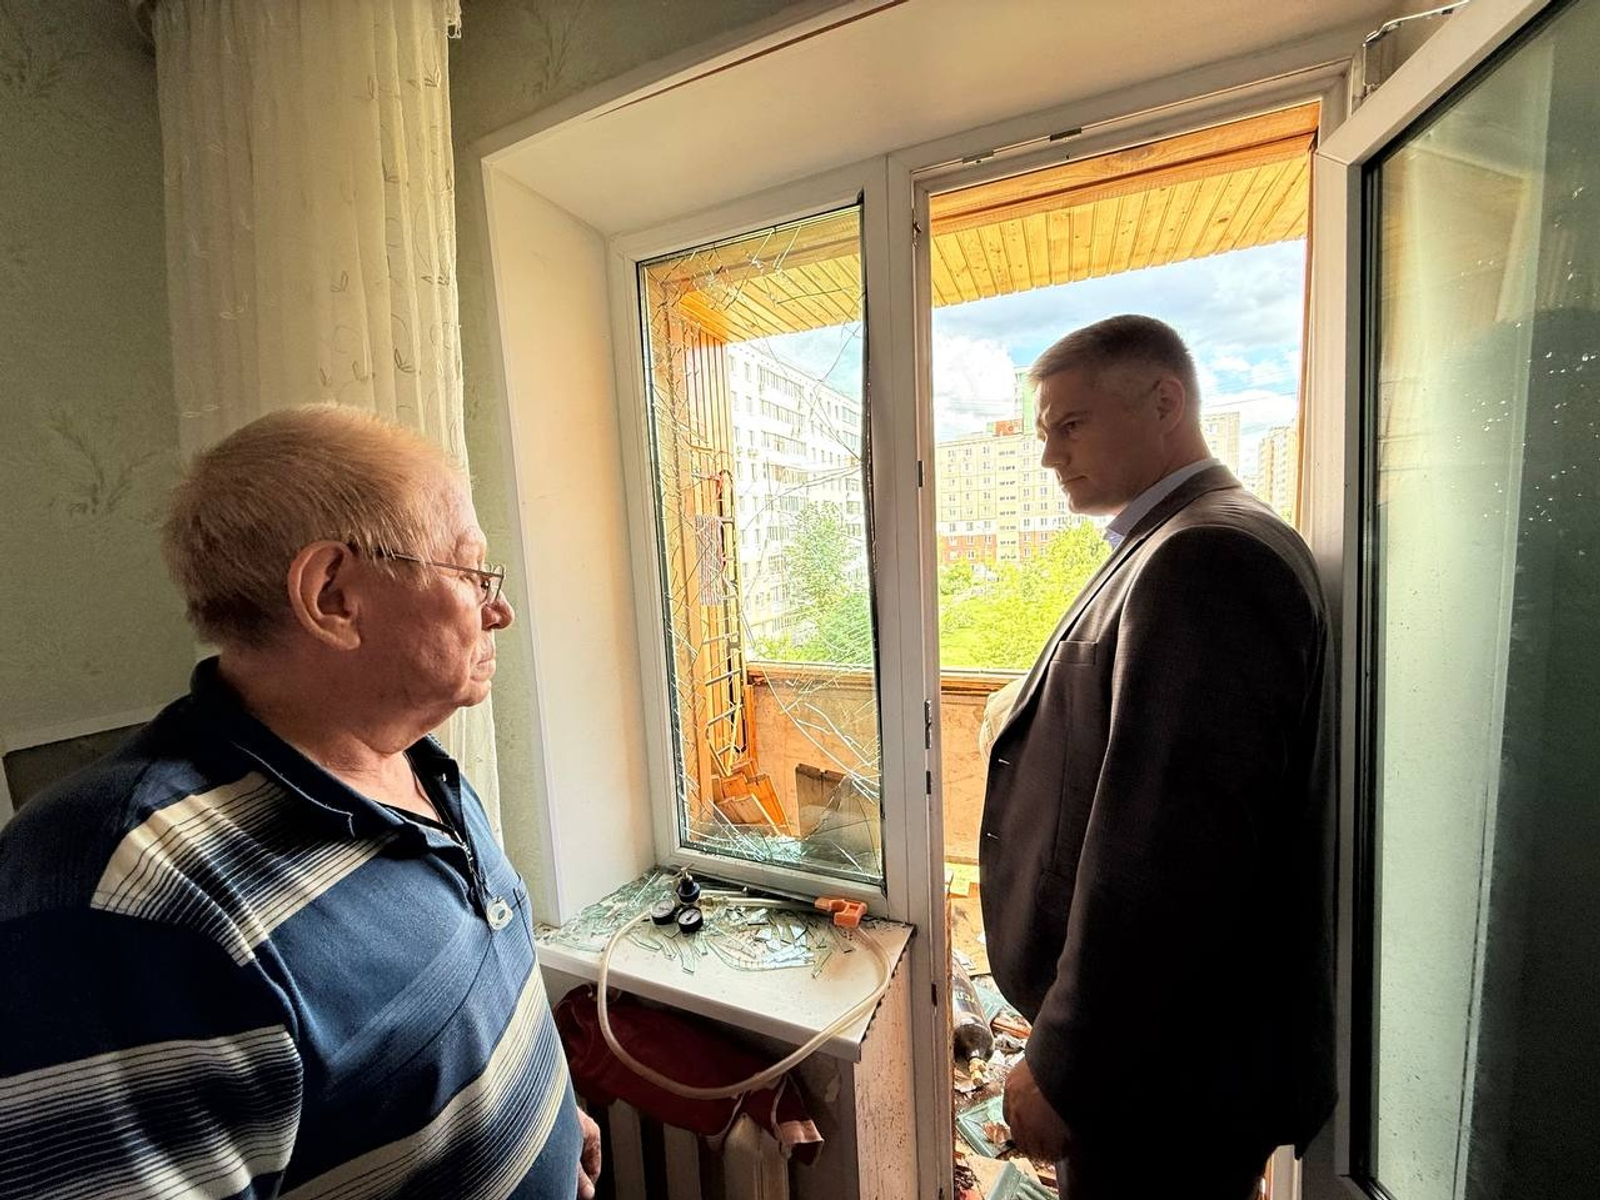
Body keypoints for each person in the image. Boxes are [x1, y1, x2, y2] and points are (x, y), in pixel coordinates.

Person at [0, 406, 603, 1200]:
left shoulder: (411, 763)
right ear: (333, 595)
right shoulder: (126, 902)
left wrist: (549, 1117)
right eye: (469, 573)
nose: (499, 610)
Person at [981, 316, 1336, 1198]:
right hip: (1163, 1061)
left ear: (1166, 402)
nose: (1049, 456)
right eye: (1044, 432)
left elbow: (1168, 860)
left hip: (1160, 1081)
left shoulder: (1205, 556)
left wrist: (1064, 1064)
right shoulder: (1178, 539)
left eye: (1070, 425)